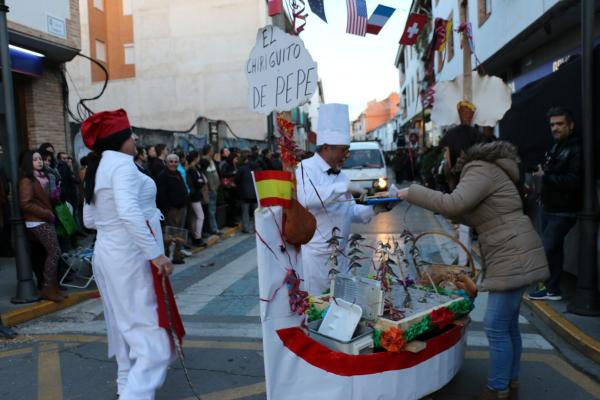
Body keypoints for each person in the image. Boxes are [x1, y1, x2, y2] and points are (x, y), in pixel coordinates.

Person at [396, 125, 549, 400]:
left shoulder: (479, 167)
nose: (444, 155)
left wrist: (413, 193)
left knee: (495, 326)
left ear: (456, 148)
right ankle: (510, 384)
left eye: (445, 150)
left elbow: (455, 204)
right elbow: (476, 214)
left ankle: (497, 388)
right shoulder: (488, 167)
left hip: (510, 249)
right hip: (512, 245)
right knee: (508, 326)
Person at [82, 109, 178, 400]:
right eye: (130, 134)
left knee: (123, 327)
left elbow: (89, 219)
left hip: (107, 252)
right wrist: (156, 255)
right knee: (154, 344)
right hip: (127, 254)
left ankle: (126, 386)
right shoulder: (122, 166)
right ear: (119, 139)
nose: (135, 138)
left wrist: (114, 228)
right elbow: (127, 212)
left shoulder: (99, 166)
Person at [296, 104, 394, 295]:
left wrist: (377, 208)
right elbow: (307, 199)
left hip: (341, 257)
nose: (347, 155)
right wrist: (343, 188)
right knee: (318, 311)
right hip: (316, 259)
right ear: (326, 148)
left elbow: (351, 212)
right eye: (344, 150)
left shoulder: (340, 175)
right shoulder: (305, 168)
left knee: (342, 308)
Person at [528, 107, 581, 301]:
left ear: (570, 125)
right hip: (549, 207)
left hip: (564, 210)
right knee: (554, 250)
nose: (555, 128)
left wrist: (546, 176)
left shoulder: (576, 148)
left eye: (560, 124)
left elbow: (574, 181)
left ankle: (548, 287)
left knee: (547, 249)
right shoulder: (557, 146)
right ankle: (552, 289)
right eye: (552, 124)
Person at [18, 150, 65, 302]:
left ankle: (52, 287)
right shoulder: (27, 180)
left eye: (40, 159)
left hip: (45, 219)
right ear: (28, 162)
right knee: (54, 252)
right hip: (37, 220)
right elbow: (26, 203)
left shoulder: (42, 178)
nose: (39, 161)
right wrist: (46, 213)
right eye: (35, 159)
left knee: (53, 253)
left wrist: (54, 194)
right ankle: (47, 287)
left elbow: (43, 199)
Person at [156, 154, 189, 264]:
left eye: (176, 161)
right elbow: (161, 195)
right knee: (170, 234)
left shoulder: (178, 173)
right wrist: (167, 209)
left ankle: (177, 255)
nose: (174, 163)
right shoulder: (163, 176)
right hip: (171, 210)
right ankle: (165, 256)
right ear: (166, 163)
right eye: (171, 161)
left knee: (179, 233)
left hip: (182, 207)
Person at [186, 150, 207, 247]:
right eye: (198, 157)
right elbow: (197, 182)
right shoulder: (192, 169)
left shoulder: (195, 168)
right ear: (195, 158)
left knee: (195, 217)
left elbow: (200, 180)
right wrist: (201, 182)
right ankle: (197, 237)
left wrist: (201, 181)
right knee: (200, 216)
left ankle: (196, 236)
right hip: (194, 196)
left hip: (195, 195)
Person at [235, 150, 259, 233]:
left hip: (244, 194)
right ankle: (257, 228)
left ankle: (247, 228)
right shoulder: (258, 168)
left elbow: (236, 180)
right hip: (256, 193)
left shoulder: (242, 168)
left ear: (247, 160)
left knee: (245, 212)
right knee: (256, 212)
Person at [202, 144, 222, 235]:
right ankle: (213, 228)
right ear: (209, 151)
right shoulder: (205, 161)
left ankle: (213, 227)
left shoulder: (212, 160)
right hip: (210, 189)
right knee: (211, 210)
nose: (213, 151)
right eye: (212, 150)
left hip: (214, 188)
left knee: (212, 210)